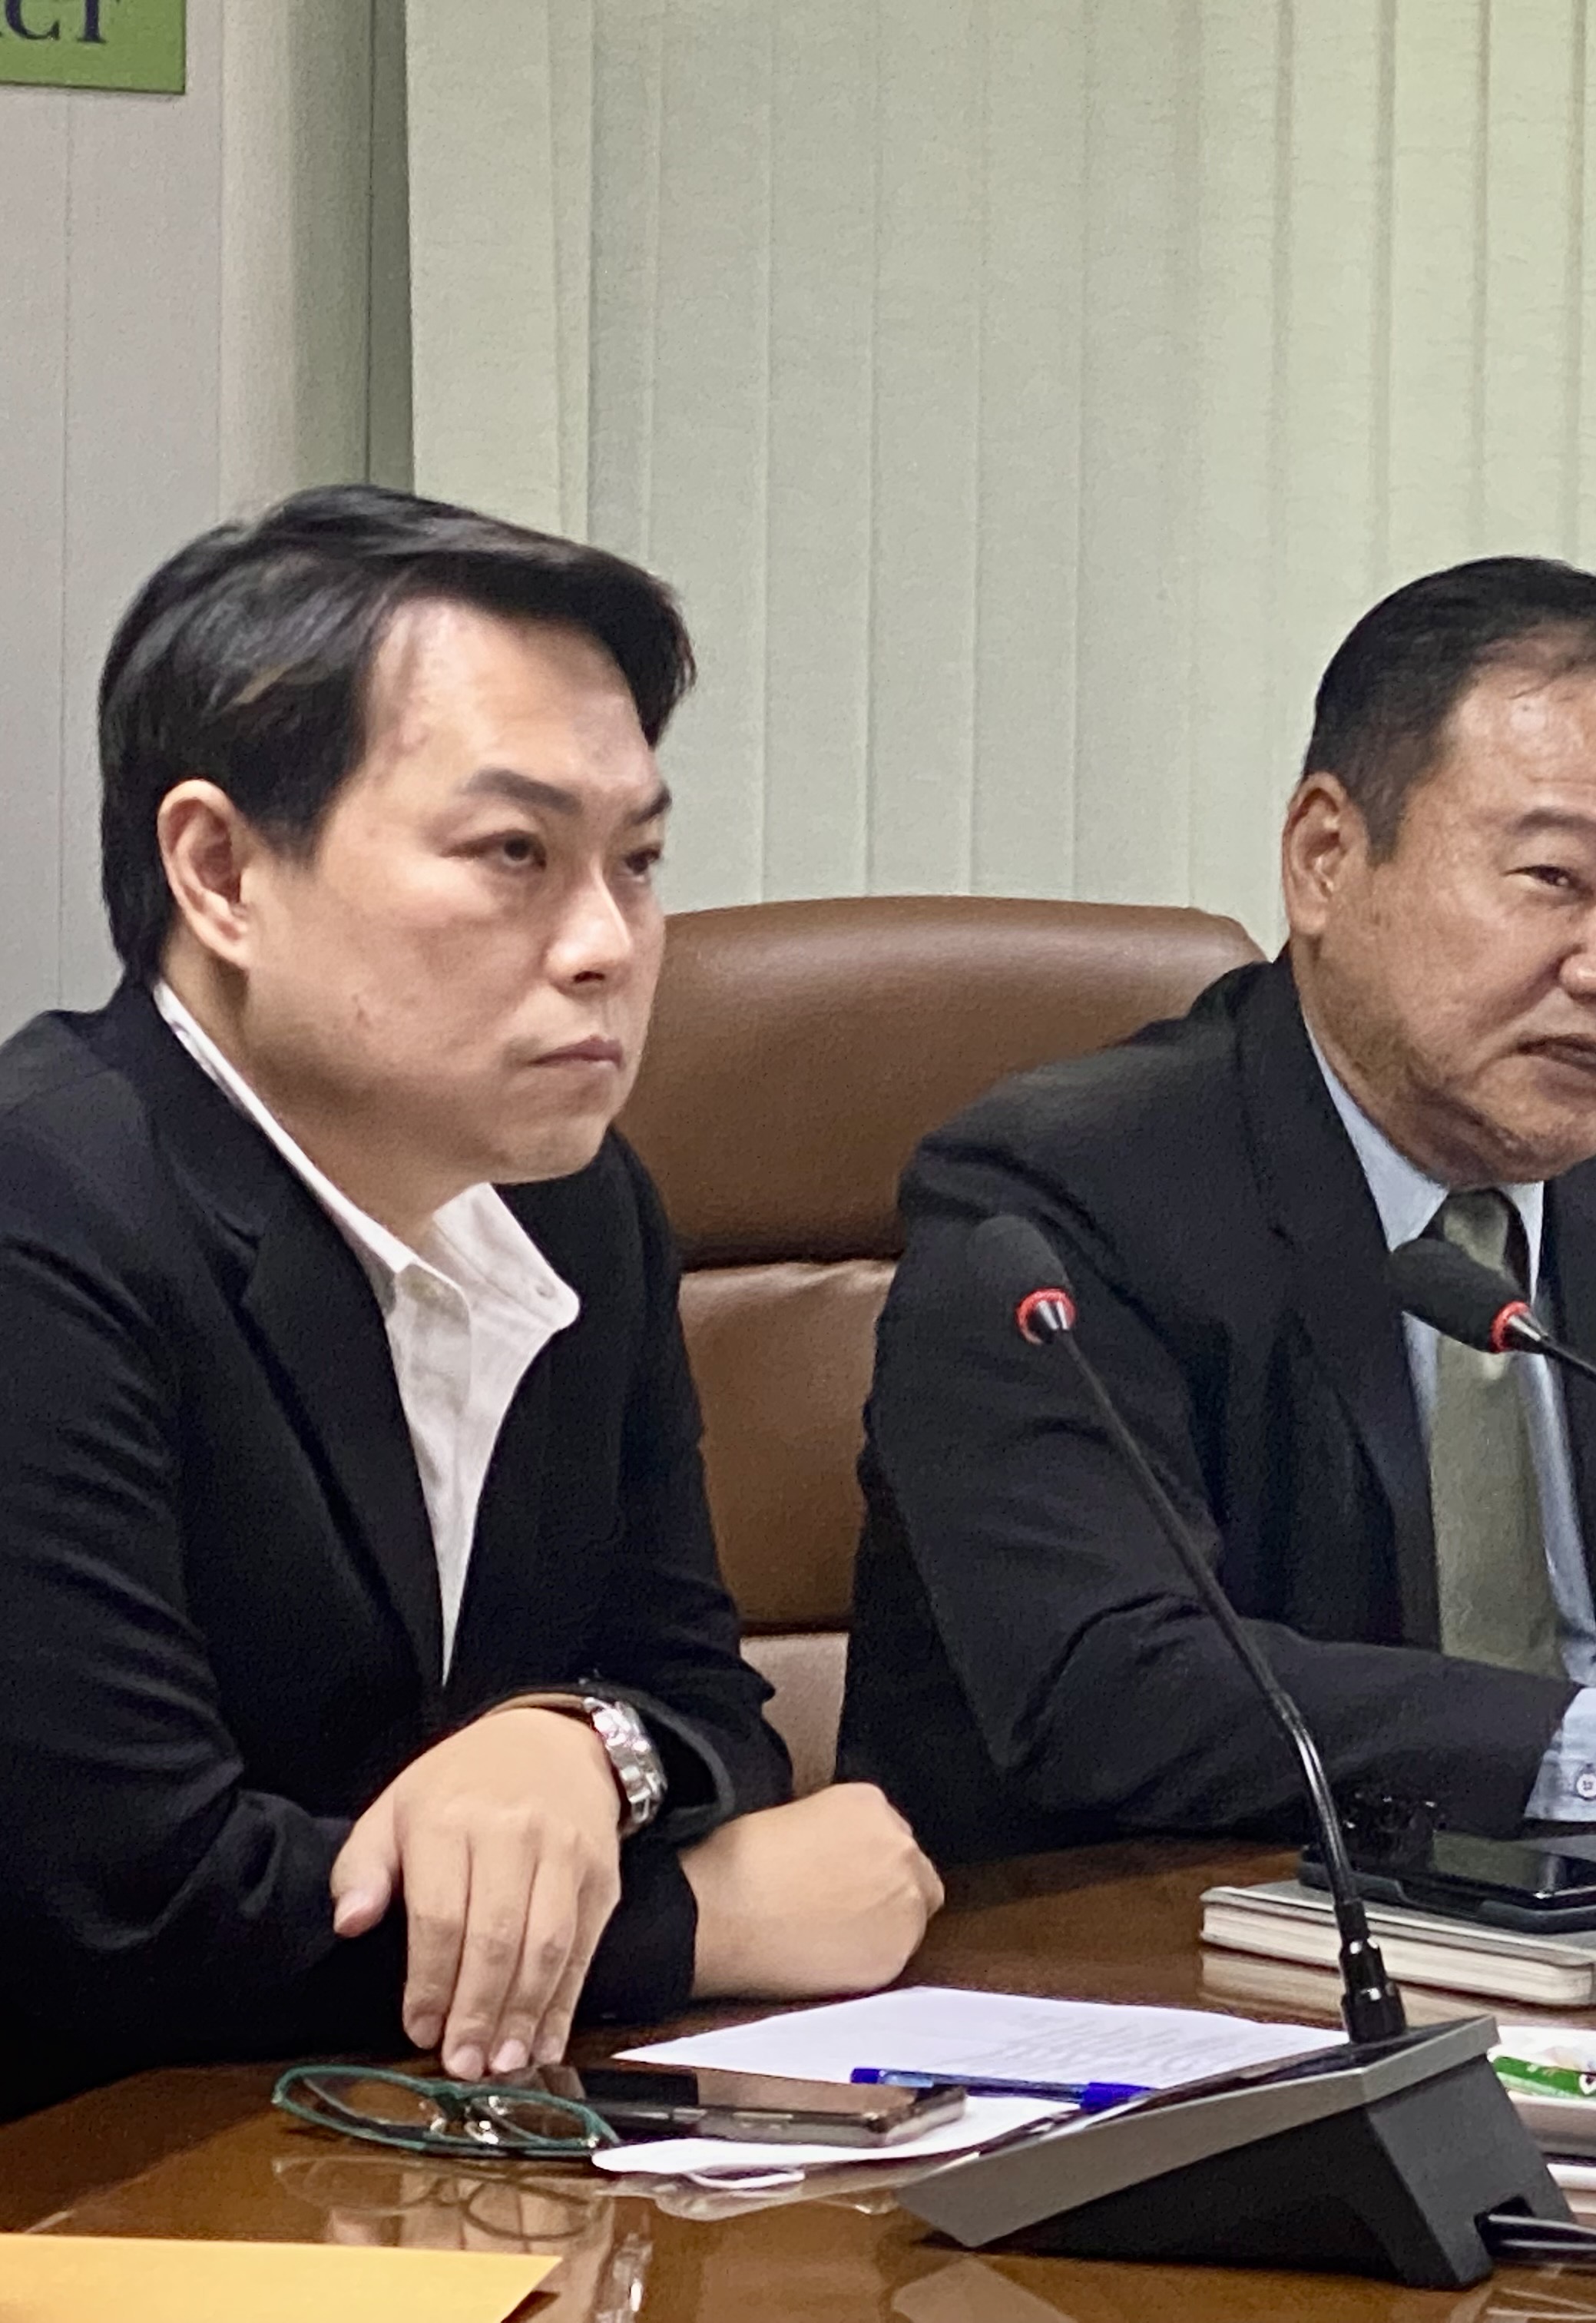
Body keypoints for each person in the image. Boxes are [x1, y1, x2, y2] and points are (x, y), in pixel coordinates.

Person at [0, 486, 941, 2122]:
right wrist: (702, 1920)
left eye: (637, 861)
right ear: (221, 872)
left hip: (408, 2146)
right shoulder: (48, 1222)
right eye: (516, 855)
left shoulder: (576, 1202)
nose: (608, 945)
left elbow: (700, 1699)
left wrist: (577, 1746)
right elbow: (125, 1911)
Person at [843, 557, 1596, 1858]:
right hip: (1161, 1941)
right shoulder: (1062, 1201)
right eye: (1554, 880)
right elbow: (1110, 1685)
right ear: (1326, 859)